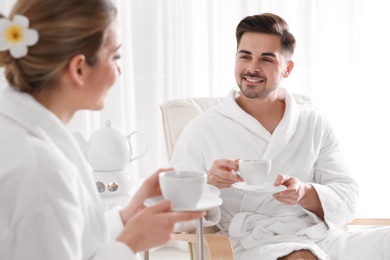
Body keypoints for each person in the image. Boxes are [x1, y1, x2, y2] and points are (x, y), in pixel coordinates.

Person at [170, 13, 390, 259]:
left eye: (266, 59)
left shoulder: (313, 123)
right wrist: (208, 184)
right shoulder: (202, 129)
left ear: (288, 68)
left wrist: (305, 193)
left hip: (323, 238)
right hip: (255, 247)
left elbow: (348, 198)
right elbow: (172, 215)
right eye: (245, 56)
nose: (252, 68)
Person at [0, 0, 204, 259]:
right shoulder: (40, 171)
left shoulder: (24, 134)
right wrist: (129, 245)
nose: (119, 70)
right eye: (115, 55)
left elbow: (68, 241)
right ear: (79, 68)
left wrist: (126, 217)